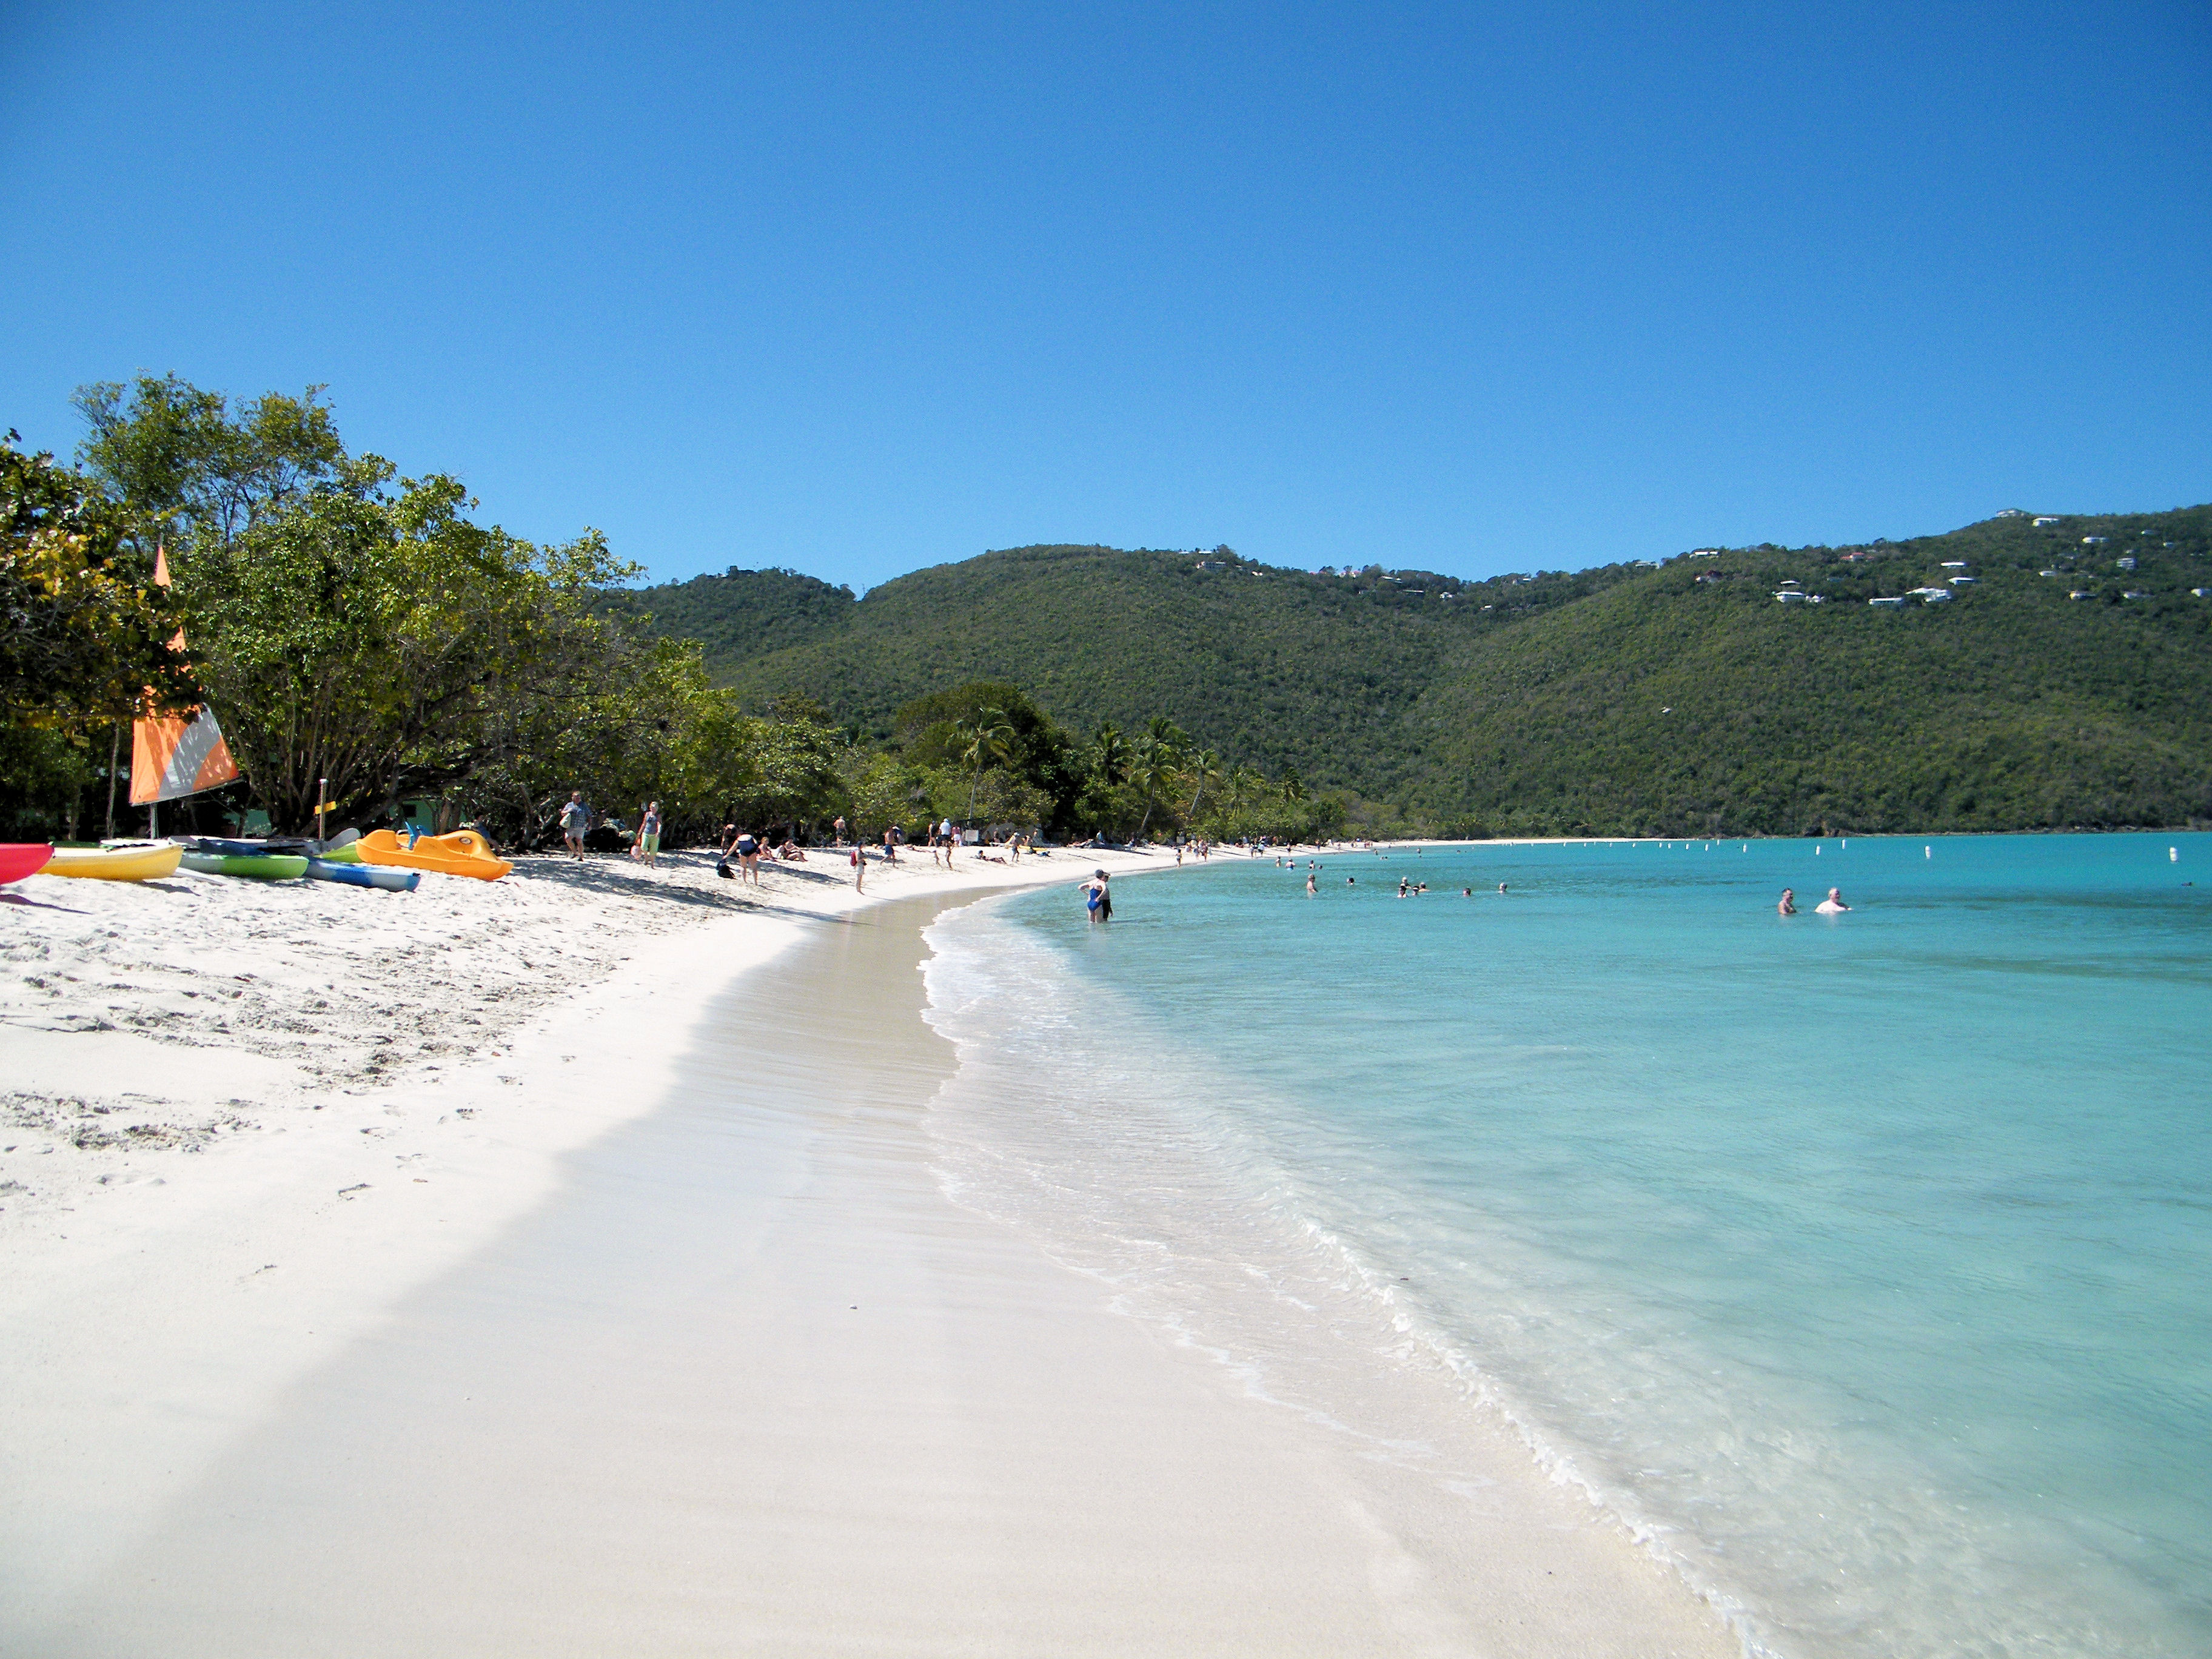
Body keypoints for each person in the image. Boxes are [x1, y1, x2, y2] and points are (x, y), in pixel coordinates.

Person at [560, 791, 589, 859]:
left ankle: (581, 856)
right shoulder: (569, 805)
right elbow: (562, 813)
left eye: (579, 797)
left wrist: (589, 824)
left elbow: (589, 815)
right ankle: (575, 853)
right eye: (576, 797)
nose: (578, 799)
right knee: (568, 839)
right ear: (573, 798)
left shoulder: (584, 806)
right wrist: (568, 811)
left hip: (580, 826)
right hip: (571, 826)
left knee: (579, 841)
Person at [635, 801, 662, 868]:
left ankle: (652, 864)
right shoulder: (647, 814)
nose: (653, 809)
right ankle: (646, 858)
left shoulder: (658, 816)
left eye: (655, 808)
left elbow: (659, 824)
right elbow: (644, 824)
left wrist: (658, 831)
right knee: (643, 847)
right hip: (646, 833)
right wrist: (639, 832)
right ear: (650, 808)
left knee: (653, 850)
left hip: (654, 835)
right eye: (652, 808)